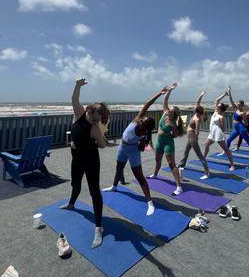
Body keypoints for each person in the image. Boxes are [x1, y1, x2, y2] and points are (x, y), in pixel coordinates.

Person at [103, 86, 171, 216]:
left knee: (139, 176)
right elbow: (147, 104)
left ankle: (150, 202)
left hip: (132, 151)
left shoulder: (143, 132)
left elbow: (141, 148)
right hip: (122, 147)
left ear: (144, 126)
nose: (142, 118)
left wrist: (141, 145)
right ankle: (114, 186)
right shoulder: (137, 120)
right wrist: (159, 93)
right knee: (119, 168)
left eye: (143, 120)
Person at [60, 78, 109, 249]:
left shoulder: (95, 129)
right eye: (93, 118)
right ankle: (72, 204)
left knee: (94, 191)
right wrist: (77, 86)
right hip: (77, 157)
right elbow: (74, 99)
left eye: (98, 120)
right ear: (87, 111)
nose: (95, 121)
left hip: (91, 160)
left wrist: (97, 137)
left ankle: (98, 227)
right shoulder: (78, 113)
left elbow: (102, 145)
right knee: (75, 183)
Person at [148, 83, 186, 195]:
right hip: (159, 141)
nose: (168, 109)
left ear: (173, 114)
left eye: (171, 109)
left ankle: (179, 186)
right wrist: (170, 90)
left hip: (168, 142)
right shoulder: (165, 113)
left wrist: (174, 125)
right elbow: (165, 100)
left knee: (171, 163)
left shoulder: (173, 122)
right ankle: (155, 174)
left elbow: (174, 135)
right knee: (157, 160)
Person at [178, 91, 210, 179]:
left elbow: (198, 130)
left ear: (197, 111)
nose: (194, 108)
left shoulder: (198, 119)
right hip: (189, 135)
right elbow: (197, 103)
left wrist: (195, 138)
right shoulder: (196, 114)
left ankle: (207, 172)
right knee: (186, 151)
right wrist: (201, 95)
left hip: (192, 136)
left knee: (199, 155)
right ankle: (182, 165)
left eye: (195, 108)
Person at [225, 86, 249, 163]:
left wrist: (248, 126)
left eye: (239, 105)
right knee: (229, 140)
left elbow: (246, 123)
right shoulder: (236, 109)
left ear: (242, 106)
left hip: (241, 129)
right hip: (236, 129)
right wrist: (229, 91)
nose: (237, 105)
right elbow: (231, 101)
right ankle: (226, 152)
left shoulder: (243, 113)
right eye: (237, 104)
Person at [203, 91, 235, 170]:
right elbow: (217, 100)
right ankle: (203, 158)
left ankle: (232, 165)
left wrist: (220, 131)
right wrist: (224, 94)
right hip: (212, 133)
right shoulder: (216, 112)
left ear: (221, 109)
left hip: (218, 134)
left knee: (226, 150)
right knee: (206, 144)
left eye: (218, 106)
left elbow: (223, 129)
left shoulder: (221, 116)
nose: (216, 106)